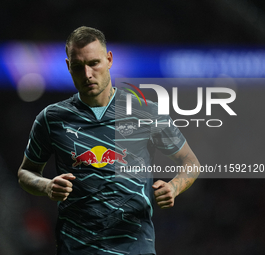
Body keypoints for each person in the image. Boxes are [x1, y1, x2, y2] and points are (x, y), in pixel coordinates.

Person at [18, 26, 200, 255]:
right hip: (76, 249)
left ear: (109, 59)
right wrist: (46, 186)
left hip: (135, 248)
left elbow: (190, 162)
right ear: (68, 67)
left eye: (94, 63)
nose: (87, 74)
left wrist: (173, 187)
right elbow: (26, 172)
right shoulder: (51, 118)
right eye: (78, 67)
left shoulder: (146, 112)